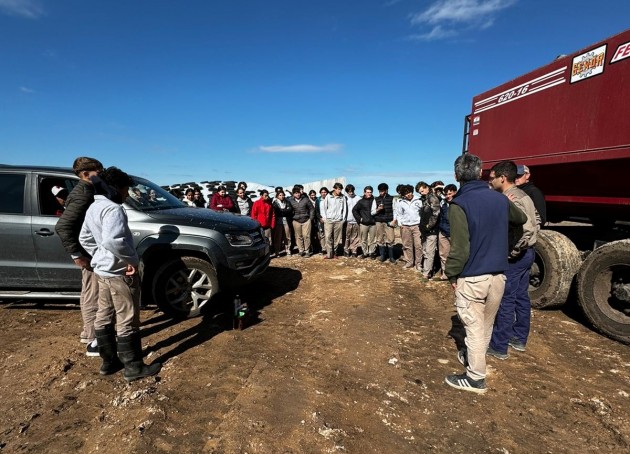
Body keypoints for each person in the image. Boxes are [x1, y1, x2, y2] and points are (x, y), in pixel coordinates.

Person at [444, 153, 526, 394]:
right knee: (486, 324)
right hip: (498, 275)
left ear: (457, 176)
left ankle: (475, 378)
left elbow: (460, 247)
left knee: (474, 327)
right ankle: (473, 358)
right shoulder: (499, 199)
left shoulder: (459, 204)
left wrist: (451, 274)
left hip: (473, 276)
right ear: (480, 173)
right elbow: (520, 218)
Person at [79, 166, 161, 382]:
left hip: (102, 270)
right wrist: (130, 260)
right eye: (125, 190)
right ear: (116, 188)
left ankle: (108, 362)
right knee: (127, 317)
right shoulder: (114, 209)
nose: (126, 194)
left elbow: (85, 238)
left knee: (103, 314)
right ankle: (133, 366)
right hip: (119, 272)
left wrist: (100, 256)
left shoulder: (94, 207)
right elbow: (113, 240)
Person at [487, 161, 539, 360]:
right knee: (521, 297)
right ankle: (519, 338)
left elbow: (526, 228)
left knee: (505, 299)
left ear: (502, 178)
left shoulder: (512, 199)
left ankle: (499, 346)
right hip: (527, 253)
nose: (490, 181)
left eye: (492, 177)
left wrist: (512, 252)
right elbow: (537, 221)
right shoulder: (523, 195)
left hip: (516, 256)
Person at [55, 156, 104, 356]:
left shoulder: (85, 191)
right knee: (94, 294)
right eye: (98, 173)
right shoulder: (84, 194)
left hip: (88, 251)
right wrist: (77, 254)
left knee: (89, 292)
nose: (102, 176)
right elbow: (63, 226)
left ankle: (88, 332)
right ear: (85, 174)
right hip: (88, 253)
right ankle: (94, 340)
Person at [392, 184, 422, 270]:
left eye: (409, 192)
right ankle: (409, 262)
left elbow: (422, 213)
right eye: (405, 193)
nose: (408, 194)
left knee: (418, 245)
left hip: (417, 226)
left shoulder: (419, 200)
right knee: (406, 245)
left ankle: (418, 263)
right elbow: (399, 214)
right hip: (405, 226)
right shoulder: (400, 202)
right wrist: (401, 224)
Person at [417, 181, 441, 279]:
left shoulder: (433, 198)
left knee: (430, 251)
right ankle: (427, 269)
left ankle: (427, 272)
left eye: (422, 191)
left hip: (431, 230)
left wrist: (429, 226)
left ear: (427, 187)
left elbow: (436, 213)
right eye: (419, 192)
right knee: (425, 250)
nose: (421, 193)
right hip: (424, 229)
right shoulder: (424, 199)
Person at [436, 184, 458, 280]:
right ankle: (445, 274)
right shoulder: (443, 203)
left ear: (455, 192)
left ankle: (457, 274)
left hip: (455, 233)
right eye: (446, 194)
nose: (448, 196)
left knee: (455, 254)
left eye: (450, 193)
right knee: (443, 254)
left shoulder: (459, 203)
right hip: (443, 232)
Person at [321, 182, 347, 259]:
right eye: (338, 189)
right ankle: (329, 254)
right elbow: (324, 208)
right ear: (334, 189)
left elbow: (344, 208)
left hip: (338, 220)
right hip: (329, 220)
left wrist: (343, 219)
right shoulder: (328, 196)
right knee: (328, 237)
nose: (340, 191)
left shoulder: (342, 197)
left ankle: (335, 253)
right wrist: (325, 218)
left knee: (337, 238)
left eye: (341, 189)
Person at [352, 185, 377, 259]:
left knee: (373, 240)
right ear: (364, 192)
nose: (369, 193)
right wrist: (359, 219)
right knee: (363, 239)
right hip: (364, 224)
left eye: (370, 192)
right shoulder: (361, 202)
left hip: (373, 223)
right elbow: (354, 210)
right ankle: (365, 253)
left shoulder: (374, 201)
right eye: (367, 192)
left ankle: (372, 252)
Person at [289, 186, 315, 257]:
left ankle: (307, 251)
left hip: (306, 220)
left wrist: (311, 218)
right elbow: (289, 210)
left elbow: (311, 209)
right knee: (298, 236)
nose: (297, 194)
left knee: (306, 236)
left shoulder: (306, 200)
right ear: (293, 194)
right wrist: (291, 218)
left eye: (298, 193)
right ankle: (301, 250)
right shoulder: (290, 201)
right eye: (296, 193)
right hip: (296, 221)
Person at [374, 183, 395, 263]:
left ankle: (391, 257)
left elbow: (395, 210)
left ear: (386, 190)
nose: (381, 192)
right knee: (380, 238)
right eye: (379, 191)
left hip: (389, 221)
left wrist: (394, 220)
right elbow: (373, 211)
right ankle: (382, 256)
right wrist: (378, 209)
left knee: (391, 239)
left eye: (382, 191)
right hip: (379, 221)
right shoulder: (376, 199)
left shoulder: (392, 198)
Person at [272, 190, 294, 257]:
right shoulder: (275, 203)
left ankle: (288, 250)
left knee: (287, 236)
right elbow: (277, 211)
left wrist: (283, 211)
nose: (282, 196)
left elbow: (290, 210)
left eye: (283, 195)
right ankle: (277, 251)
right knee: (278, 237)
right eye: (280, 195)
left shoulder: (287, 202)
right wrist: (284, 211)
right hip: (278, 222)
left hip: (286, 221)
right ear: (277, 196)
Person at [343, 184, 361, 257]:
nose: (351, 193)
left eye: (352, 191)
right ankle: (346, 250)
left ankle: (354, 250)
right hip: (347, 220)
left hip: (356, 220)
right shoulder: (344, 198)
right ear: (347, 192)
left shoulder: (358, 198)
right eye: (349, 191)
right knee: (347, 237)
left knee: (355, 237)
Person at [315, 187, 329, 255]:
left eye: (325, 192)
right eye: (322, 192)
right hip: (321, 220)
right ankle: (323, 248)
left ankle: (329, 248)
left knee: (329, 235)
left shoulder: (329, 199)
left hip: (329, 220)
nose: (324, 193)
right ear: (320, 193)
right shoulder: (318, 200)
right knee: (322, 234)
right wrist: (320, 218)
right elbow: (316, 211)